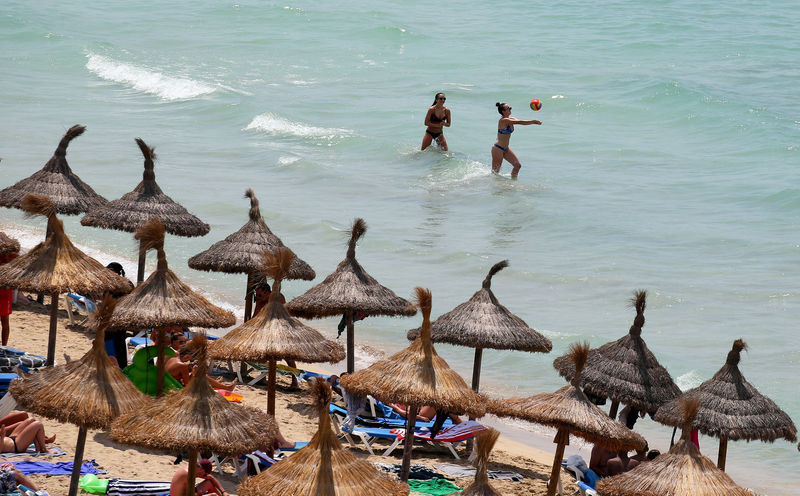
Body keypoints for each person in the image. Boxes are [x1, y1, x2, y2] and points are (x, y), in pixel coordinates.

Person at [252, 281, 298, 389]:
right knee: (264, 353)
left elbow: (283, 315)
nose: (257, 297)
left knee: (288, 357)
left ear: (268, 293)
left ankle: (295, 382)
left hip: (282, 328)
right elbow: (255, 317)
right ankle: (263, 378)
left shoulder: (278, 298)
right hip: (268, 330)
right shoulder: (260, 301)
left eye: (259, 295)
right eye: (256, 295)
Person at [165, 332, 236, 391]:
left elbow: (175, 370)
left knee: (199, 374)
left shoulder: (173, 356)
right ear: (186, 356)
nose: (183, 343)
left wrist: (188, 367)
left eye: (184, 342)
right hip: (174, 388)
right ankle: (226, 387)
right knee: (199, 374)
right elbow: (188, 387)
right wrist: (193, 374)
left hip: (168, 383)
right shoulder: (181, 364)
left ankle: (217, 384)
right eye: (181, 342)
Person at [491, 102, 541, 178]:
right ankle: (492, 186)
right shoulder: (503, 121)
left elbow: (520, 121)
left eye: (510, 108)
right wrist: (533, 122)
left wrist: (531, 121)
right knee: (495, 172)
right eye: (508, 108)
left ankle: (513, 183)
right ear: (503, 111)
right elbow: (519, 122)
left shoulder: (511, 119)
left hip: (505, 149)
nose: (510, 109)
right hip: (498, 149)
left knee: (517, 165)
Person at [105, 262, 135, 368]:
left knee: (119, 342)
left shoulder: (127, 285)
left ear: (116, 272)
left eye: (110, 271)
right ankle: (110, 364)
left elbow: (129, 301)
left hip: (119, 318)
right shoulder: (107, 283)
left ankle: (120, 366)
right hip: (108, 318)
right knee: (109, 341)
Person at [0, 251, 19, 346]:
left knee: (4, 320)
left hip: (5, 292)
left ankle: (4, 346)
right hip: (4, 291)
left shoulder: (12, 254)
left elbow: (19, 265)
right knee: (5, 321)